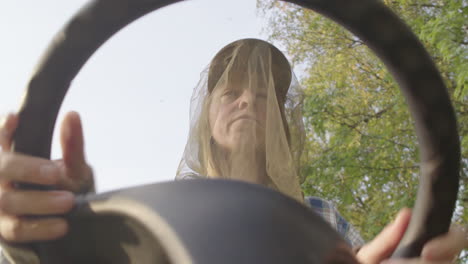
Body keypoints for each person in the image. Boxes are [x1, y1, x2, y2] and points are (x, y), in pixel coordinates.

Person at [0, 38, 465, 263]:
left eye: (264, 96)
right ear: (207, 116)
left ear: (282, 123)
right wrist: (51, 230)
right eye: (232, 92)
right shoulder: (151, 210)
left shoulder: (324, 217)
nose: (248, 100)